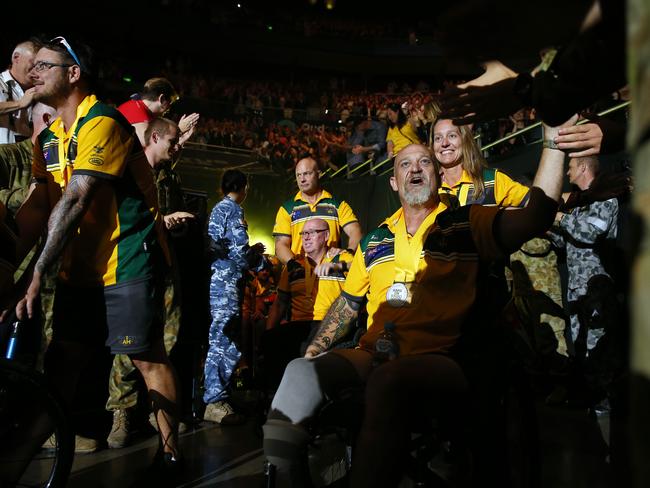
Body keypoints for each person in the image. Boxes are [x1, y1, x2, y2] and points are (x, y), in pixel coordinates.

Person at [263, 110, 572, 486]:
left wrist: (554, 138)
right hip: (372, 353)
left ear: (439, 175)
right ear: (393, 182)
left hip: (443, 357)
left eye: (424, 162)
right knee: (298, 373)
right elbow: (348, 303)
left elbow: (536, 215)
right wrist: (315, 348)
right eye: (404, 164)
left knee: (388, 381)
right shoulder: (375, 238)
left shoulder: (466, 221)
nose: (415, 169)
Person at [12, 37, 181, 474]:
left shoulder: (103, 120)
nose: (34, 72)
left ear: (73, 74)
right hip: (81, 266)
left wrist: (37, 274)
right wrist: (9, 266)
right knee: (62, 364)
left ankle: (170, 454)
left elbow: (73, 201)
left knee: (144, 357)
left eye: (45, 65)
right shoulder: (48, 137)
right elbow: (38, 207)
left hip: (126, 259)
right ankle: (16, 463)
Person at [106, 117, 194, 448]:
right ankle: (122, 411)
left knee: (164, 343)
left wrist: (176, 222)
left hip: (162, 265)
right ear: (154, 137)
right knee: (131, 348)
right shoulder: (130, 167)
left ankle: (156, 414)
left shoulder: (169, 177)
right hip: (130, 267)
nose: (176, 148)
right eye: (173, 143)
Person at [203, 169, 265, 424]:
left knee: (223, 338)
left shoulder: (217, 209)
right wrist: (259, 262)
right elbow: (239, 251)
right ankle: (214, 400)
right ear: (243, 187)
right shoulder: (233, 209)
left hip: (219, 282)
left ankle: (220, 394)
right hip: (226, 284)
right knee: (224, 340)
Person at [263, 217, 353, 389]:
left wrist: (338, 266)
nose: (305, 237)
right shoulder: (293, 266)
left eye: (312, 232)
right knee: (270, 341)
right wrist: (269, 331)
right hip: (299, 324)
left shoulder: (340, 258)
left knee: (307, 346)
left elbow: (359, 267)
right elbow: (280, 303)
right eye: (303, 233)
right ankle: (275, 402)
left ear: (326, 235)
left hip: (330, 324)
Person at [548, 156, 618, 356]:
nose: (568, 172)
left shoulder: (604, 197)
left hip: (596, 286)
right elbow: (566, 242)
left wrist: (560, 218)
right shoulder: (580, 203)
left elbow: (590, 234)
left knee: (598, 347)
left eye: (570, 167)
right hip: (578, 288)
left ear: (583, 167)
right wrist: (548, 229)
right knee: (581, 347)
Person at [273, 156, 362, 265]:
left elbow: (355, 231)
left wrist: (348, 253)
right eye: (298, 175)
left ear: (319, 174)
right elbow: (280, 244)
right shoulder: (286, 209)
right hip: (301, 274)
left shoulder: (337, 205)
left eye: (307, 173)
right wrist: (294, 266)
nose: (302, 179)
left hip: (330, 271)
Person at [432, 118, 530, 209]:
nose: (444, 143)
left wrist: (504, 218)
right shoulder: (429, 189)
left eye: (452, 136)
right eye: (438, 138)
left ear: (465, 140)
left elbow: (535, 205)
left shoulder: (491, 180)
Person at [117, 77, 200, 148]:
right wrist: (178, 131)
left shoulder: (135, 106)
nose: (169, 109)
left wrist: (180, 140)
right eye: (170, 102)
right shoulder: (139, 116)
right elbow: (152, 154)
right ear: (162, 99)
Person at [0, 39, 40, 144]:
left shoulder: (41, 89)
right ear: (16, 58)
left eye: (41, 65)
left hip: (28, 157)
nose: (37, 70)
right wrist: (19, 104)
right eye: (33, 63)